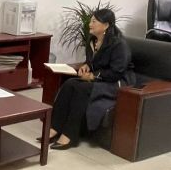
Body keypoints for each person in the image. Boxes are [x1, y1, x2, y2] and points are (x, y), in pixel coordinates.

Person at [42, 8, 135, 150]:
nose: (90, 24)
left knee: (81, 88)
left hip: (118, 83)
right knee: (69, 83)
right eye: (91, 21)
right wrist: (87, 65)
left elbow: (117, 72)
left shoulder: (118, 44)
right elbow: (94, 62)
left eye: (94, 21)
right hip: (102, 79)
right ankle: (55, 128)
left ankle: (69, 135)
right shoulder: (92, 40)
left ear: (106, 25)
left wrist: (93, 76)